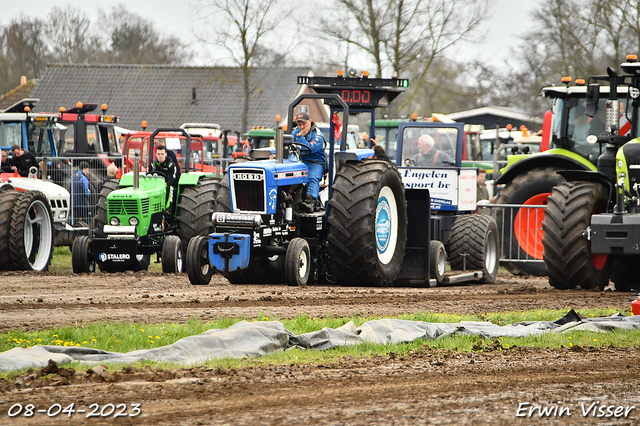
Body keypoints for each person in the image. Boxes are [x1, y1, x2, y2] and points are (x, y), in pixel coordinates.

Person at [292, 112, 326, 212]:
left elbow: (309, 148)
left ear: (309, 122)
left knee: (311, 177)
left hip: (315, 162)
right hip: (299, 161)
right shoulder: (295, 132)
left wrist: (301, 137)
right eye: (299, 125)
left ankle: (310, 201)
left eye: (304, 124)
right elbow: (286, 143)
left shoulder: (318, 135)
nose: (302, 127)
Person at [149, 145, 179, 217]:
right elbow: (148, 176)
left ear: (165, 154)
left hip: (167, 185)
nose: (160, 156)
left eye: (162, 154)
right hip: (154, 185)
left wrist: (164, 185)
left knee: (169, 188)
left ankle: (168, 209)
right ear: (156, 154)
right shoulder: (153, 165)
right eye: (158, 154)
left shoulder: (171, 165)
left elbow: (173, 179)